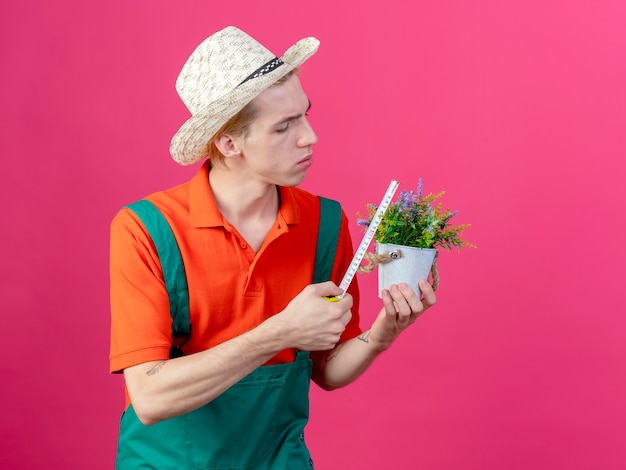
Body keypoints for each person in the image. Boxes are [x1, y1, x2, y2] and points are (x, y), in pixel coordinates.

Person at [109, 26, 436, 469]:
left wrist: (382, 333)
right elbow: (149, 398)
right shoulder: (147, 230)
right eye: (284, 126)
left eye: (304, 115)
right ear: (229, 143)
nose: (309, 137)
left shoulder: (324, 223)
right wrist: (280, 332)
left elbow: (328, 370)